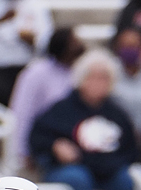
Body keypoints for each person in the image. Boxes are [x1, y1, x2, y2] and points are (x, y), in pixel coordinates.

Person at [31, 51, 140, 190]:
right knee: (77, 178)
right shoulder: (62, 109)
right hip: (71, 170)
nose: (99, 83)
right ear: (81, 78)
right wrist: (55, 146)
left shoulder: (117, 114)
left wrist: (110, 164)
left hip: (108, 172)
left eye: (104, 78)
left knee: (133, 181)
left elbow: (130, 150)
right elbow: (37, 138)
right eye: (93, 77)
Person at [8, 28, 84, 169]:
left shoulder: (81, 72)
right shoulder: (36, 73)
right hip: (44, 141)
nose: (79, 46)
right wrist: (22, 151)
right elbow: (23, 112)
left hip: (74, 144)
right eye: (74, 42)